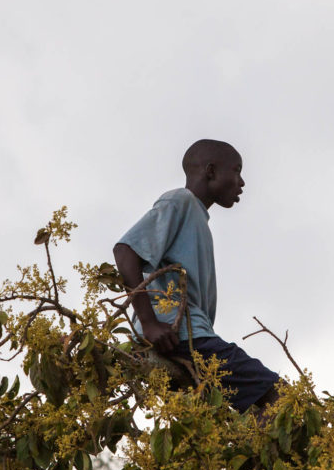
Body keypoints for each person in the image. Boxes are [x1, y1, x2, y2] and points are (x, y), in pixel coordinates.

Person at [113, 139, 280, 413]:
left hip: (190, 339)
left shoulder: (198, 218)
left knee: (251, 412)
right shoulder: (180, 200)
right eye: (236, 171)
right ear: (211, 171)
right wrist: (150, 323)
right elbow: (125, 251)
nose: (242, 182)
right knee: (279, 396)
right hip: (178, 335)